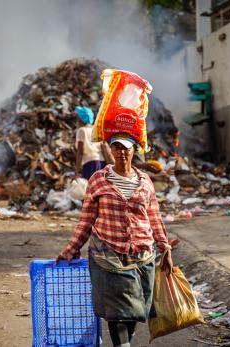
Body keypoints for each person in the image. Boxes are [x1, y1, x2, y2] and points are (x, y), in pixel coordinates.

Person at [57, 133, 172, 347]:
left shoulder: (145, 181)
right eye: (116, 147)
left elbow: (154, 216)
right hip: (108, 254)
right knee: (117, 310)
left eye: (126, 147)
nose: (121, 152)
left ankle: (125, 343)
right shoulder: (99, 180)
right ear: (110, 150)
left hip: (142, 255)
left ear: (134, 150)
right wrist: (71, 248)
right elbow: (86, 219)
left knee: (135, 309)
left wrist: (164, 246)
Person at [74, 106, 113, 179]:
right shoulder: (96, 130)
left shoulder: (82, 131)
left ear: (81, 118)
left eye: (78, 117)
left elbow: (80, 152)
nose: (77, 119)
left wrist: (76, 173)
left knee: (91, 188)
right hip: (102, 163)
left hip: (90, 164)